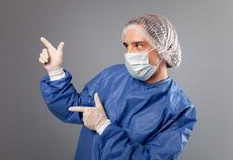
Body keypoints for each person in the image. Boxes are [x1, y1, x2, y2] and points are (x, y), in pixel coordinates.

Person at [38, 13, 197, 160]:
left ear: (164, 48)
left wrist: (104, 127)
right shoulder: (112, 77)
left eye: (138, 45)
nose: (129, 53)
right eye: (126, 46)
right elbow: (72, 108)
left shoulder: (180, 110)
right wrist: (55, 71)